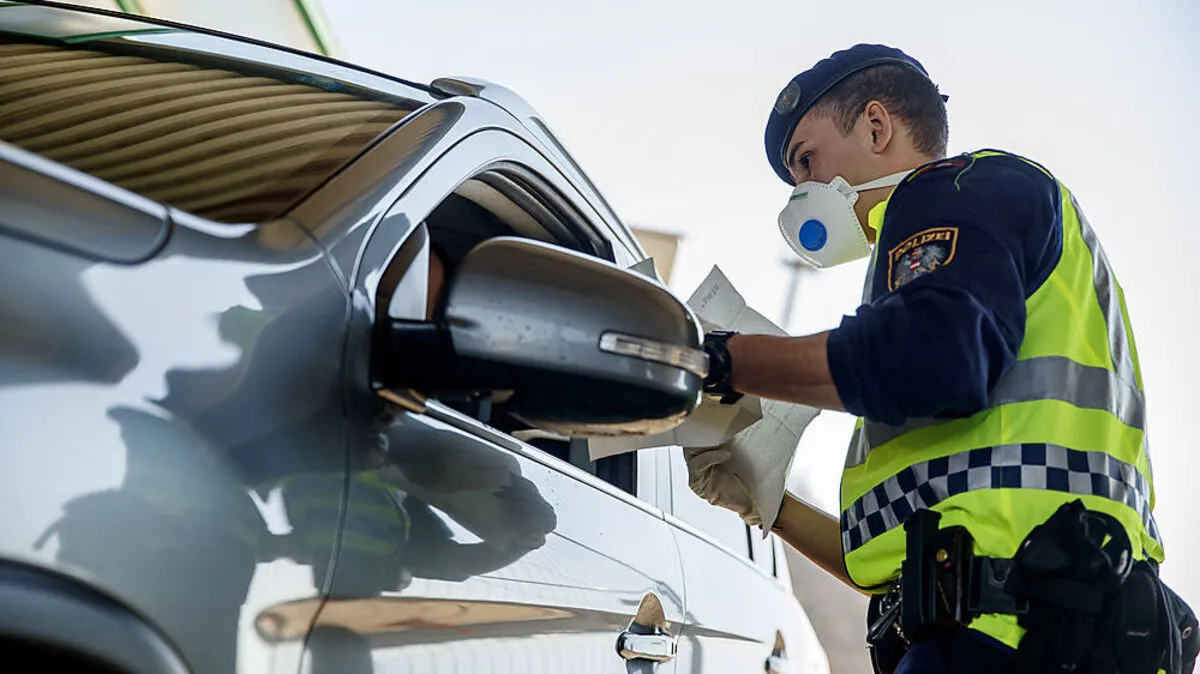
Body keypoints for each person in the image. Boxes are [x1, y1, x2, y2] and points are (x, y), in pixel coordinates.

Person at [686, 44, 1194, 674]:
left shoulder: (954, 189)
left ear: (877, 126)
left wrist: (719, 360)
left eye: (807, 161)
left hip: (1007, 638)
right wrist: (769, 504)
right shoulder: (968, 239)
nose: (802, 192)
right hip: (1038, 628)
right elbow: (910, 572)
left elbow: (931, 358)